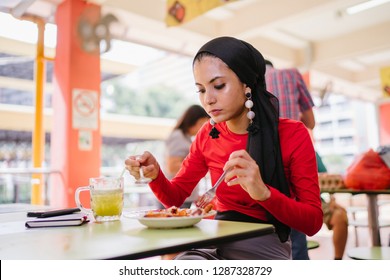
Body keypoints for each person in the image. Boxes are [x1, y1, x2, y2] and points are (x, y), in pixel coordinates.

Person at [125, 36, 323, 260]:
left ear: (247, 84)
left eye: (218, 86)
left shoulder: (292, 134)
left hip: (265, 244)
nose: (208, 99)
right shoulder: (208, 136)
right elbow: (175, 197)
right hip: (214, 240)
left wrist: (264, 193)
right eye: (200, 90)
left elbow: (313, 222)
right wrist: (155, 175)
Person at [265, 59, 316, 259]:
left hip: (258, 157)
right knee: (296, 220)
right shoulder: (292, 74)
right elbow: (310, 122)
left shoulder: (244, 81)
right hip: (292, 154)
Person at [316, 152, 349, 260]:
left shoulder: (311, 151)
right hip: (291, 200)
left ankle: (337, 260)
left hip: (315, 199)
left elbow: (326, 179)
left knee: (340, 215)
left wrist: (332, 200)